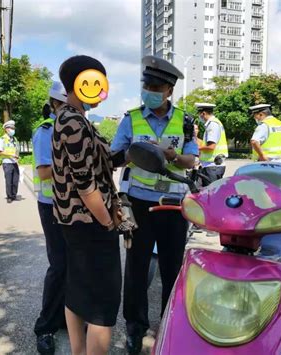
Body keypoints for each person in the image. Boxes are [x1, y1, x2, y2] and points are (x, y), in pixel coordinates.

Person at [111, 55, 198, 354]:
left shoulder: (185, 120)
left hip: (173, 206)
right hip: (138, 204)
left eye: (155, 86)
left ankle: (170, 326)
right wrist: (135, 153)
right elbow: (114, 157)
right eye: (146, 85)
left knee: (173, 270)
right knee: (136, 270)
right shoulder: (130, 119)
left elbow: (192, 160)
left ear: (169, 91)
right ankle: (135, 329)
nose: (149, 90)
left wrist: (171, 155)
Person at [52, 55, 121, 355]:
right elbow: (85, 183)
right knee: (104, 304)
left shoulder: (74, 119)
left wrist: (131, 153)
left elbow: (99, 161)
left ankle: (78, 352)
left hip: (75, 223)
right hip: (91, 223)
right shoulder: (73, 122)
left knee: (78, 291)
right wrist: (108, 221)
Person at [32, 81, 68, 354]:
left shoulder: (75, 127)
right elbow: (44, 172)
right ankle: (45, 326)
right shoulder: (46, 131)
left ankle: (66, 316)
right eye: (65, 106)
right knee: (58, 265)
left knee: (73, 263)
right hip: (52, 205)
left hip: (73, 206)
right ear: (55, 104)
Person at [195, 102, 228, 186]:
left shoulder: (212, 125)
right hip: (213, 166)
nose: (199, 117)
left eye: (199, 114)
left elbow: (211, 146)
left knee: (211, 193)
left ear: (203, 113)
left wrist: (196, 147)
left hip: (212, 166)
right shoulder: (215, 123)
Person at [0, 120, 20, 203]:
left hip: (14, 162)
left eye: (13, 128)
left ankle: (14, 195)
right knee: (9, 180)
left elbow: (16, 149)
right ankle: (9, 197)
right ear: (6, 129)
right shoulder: (2, 139)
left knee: (15, 180)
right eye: (11, 128)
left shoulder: (15, 139)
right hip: (7, 162)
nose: (13, 130)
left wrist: (17, 157)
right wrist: (11, 155)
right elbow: (0, 152)